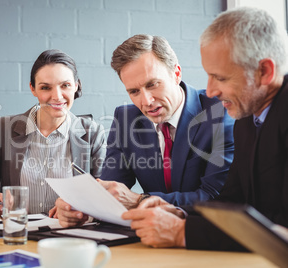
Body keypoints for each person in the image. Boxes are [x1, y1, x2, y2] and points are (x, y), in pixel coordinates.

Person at [122, 7, 288, 250]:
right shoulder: (247, 118)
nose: (210, 91)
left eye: (220, 78)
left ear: (264, 72)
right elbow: (231, 203)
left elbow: (280, 227)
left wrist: (183, 233)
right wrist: (180, 213)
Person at [55, 34, 234, 227]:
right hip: (148, 240)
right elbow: (110, 192)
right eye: (134, 92)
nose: (146, 101)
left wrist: (139, 201)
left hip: (201, 235)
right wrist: (80, 207)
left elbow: (215, 198)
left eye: (152, 84)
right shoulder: (126, 119)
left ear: (176, 74)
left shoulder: (221, 114)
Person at [0, 49, 106, 215]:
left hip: (70, 234)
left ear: (76, 86)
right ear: (33, 89)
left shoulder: (93, 133)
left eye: (65, 85)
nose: (57, 96)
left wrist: (80, 210)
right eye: (45, 88)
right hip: (19, 234)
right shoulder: (3, 128)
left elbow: (103, 198)